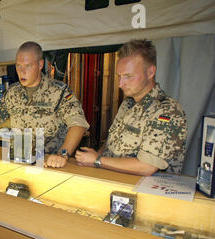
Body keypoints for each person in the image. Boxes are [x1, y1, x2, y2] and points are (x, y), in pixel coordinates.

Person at [0, 41, 89, 168]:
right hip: (19, 161)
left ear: (40, 64)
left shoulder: (59, 92)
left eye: (27, 66)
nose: (21, 72)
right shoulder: (13, 92)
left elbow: (78, 124)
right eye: (18, 66)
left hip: (49, 164)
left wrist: (63, 154)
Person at [75, 39, 187, 176]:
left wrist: (97, 160)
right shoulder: (128, 103)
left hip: (144, 194)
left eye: (128, 76)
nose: (121, 84)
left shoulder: (167, 111)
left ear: (150, 72)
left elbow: (147, 167)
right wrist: (95, 156)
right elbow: (111, 142)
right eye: (119, 76)